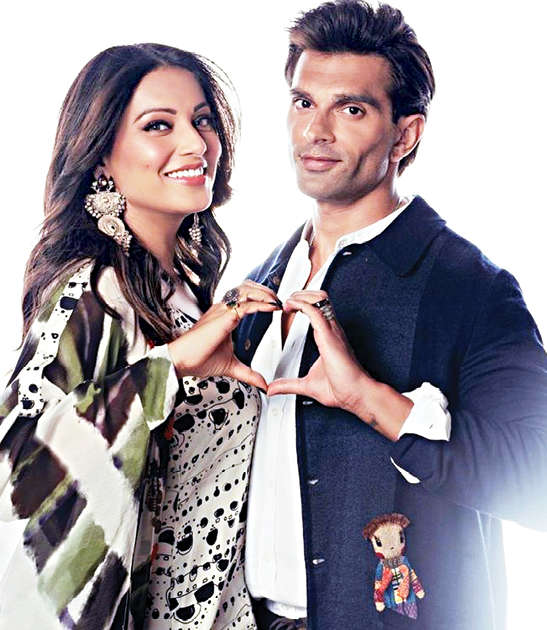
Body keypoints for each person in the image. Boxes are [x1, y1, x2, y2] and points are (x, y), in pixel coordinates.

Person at [232, 2, 547, 629]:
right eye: (303, 102)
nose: (315, 130)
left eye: (350, 109)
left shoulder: (469, 287)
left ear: (405, 135)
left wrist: (371, 400)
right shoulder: (261, 279)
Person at [0, 43, 279, 630]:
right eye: (159, 125)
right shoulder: (94, 290)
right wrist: (166, 370)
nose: (196, 144)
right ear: (102, 154)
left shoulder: (186, 293)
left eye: (203, 120)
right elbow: (17, 472)